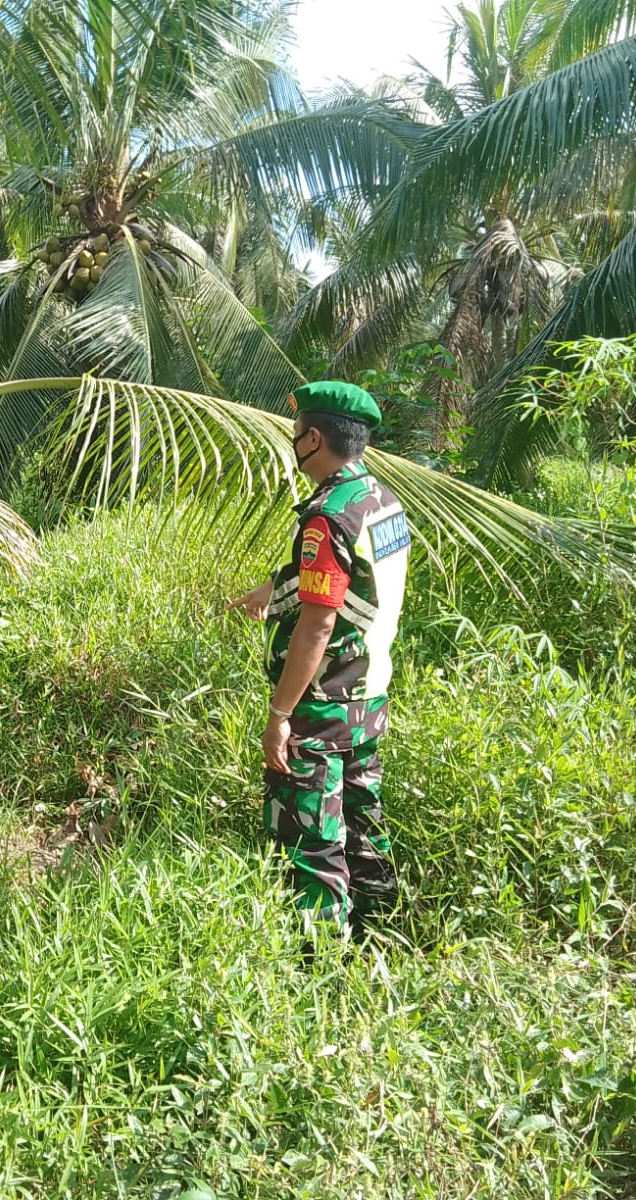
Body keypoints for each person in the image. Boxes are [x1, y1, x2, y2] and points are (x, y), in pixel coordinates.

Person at [228, 381, 411, 944]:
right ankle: (383, 937)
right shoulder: (381, 501)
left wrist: (280, 713)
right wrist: (271, 592)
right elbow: (349, 587)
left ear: (312, 438)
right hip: (369, 695)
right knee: (363, 823)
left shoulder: (328, 516)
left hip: (324, 702)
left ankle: (319, 971)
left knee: (312, 839)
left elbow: (319, 622)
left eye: (295, 433)